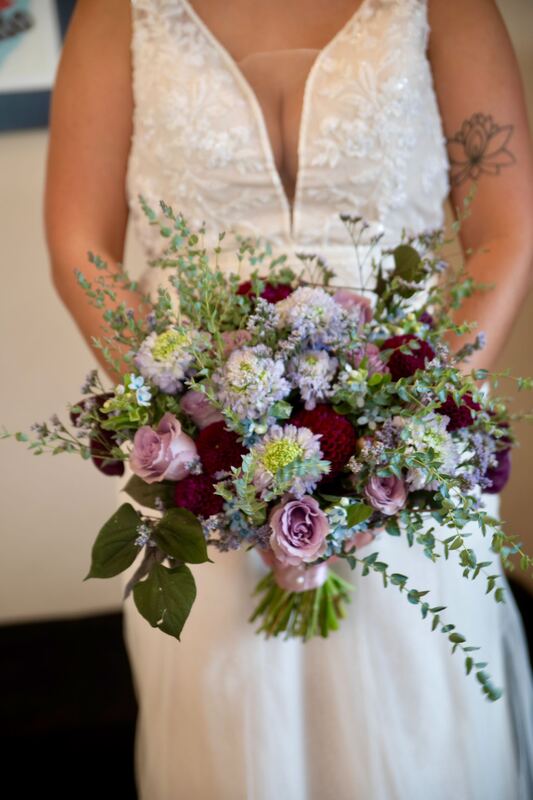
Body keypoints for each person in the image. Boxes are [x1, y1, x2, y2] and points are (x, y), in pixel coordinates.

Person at [44, 1, 533, 798]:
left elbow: (503, 232)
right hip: (200, 480)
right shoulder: (119, 11)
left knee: (419, 734)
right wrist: (184, 425)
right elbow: (81, 247)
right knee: (232, 733)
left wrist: (412, 428)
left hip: (407, 468)